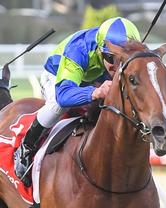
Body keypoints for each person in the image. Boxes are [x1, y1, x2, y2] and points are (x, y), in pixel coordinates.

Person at [13, 17, 141, 186]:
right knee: (56, 106)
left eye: (122, 60)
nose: (116, 66)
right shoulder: (79, 49)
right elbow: (64, 95)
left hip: (92, 75)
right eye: (111, 58)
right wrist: (95, 92)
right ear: (101, 51)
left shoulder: (112, 53)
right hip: (59, 75)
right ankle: (26, 148)